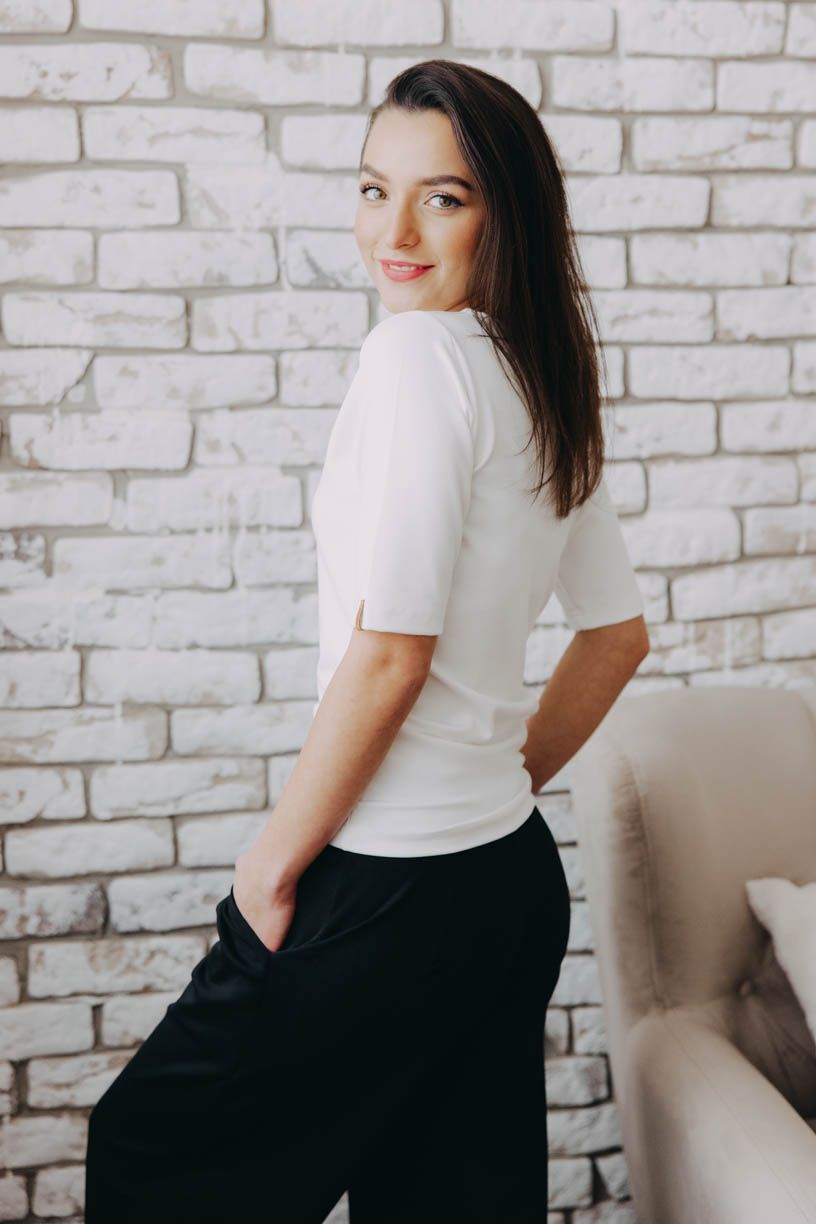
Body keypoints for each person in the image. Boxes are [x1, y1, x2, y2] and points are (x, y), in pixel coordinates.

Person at [84, 58, 650, 1224]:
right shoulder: (545, 372)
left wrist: (269, 867)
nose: (393, 233)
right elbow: (618, 637)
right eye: (371, 189)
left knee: (149, 1154)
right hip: (505, 881)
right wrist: (493, 780)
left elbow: (392, 654)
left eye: (442, 198)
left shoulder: (416, 359)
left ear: (505, 215)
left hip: (384, 888)